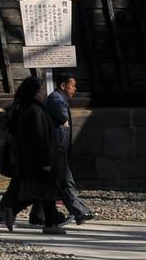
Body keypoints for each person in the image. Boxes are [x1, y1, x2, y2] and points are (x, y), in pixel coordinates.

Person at [0, 75, 65, 234]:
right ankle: (47, 223)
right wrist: (46, 160)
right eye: (41, 90)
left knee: (42, 192)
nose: (44, 93)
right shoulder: (35, 110)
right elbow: (41, 138)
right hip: (39, 159)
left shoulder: (24, 108)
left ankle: (49, 221)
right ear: (35, 91)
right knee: (43, 191)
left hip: (28, 159)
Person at [45, 72, 96, 224]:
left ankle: (39, 216)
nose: (74, 89)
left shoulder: (59, 99)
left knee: (58, 182)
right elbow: (63, 118)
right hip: (56, 149)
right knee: (63, 182)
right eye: (72, 85)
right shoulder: (56, 99)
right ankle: (79, 212)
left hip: (58, 148)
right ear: (63, 85)